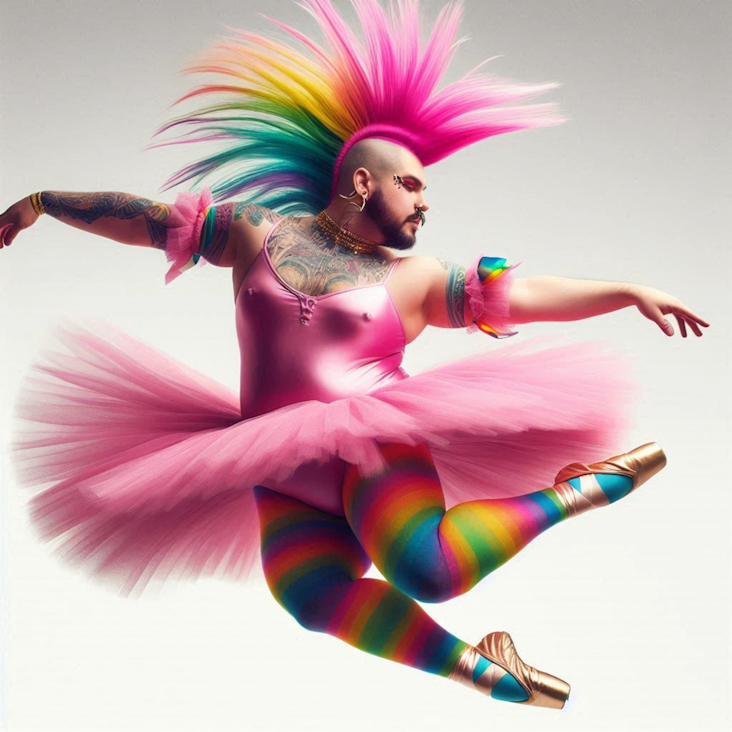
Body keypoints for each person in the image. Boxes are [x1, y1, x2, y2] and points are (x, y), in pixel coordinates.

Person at [0, 0, 708, 710]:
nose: (425, 202)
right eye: (413, 183)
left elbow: (523, 294)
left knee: (428, 569)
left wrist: (626, 290)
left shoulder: (416, 279)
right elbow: (148, 220)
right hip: (275, 461)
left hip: (368, 446)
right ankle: (488, 670)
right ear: (363, 182)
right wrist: (44, 201)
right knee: (309, 596)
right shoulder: (254, 233)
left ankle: (581, 489)